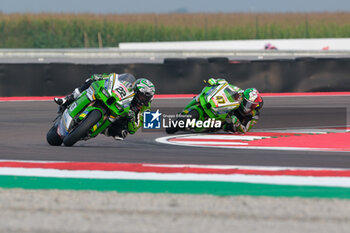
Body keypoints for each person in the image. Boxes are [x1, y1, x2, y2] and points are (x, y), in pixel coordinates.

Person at [54, 73, 155, 140]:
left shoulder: (144, 109)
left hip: (119, 115)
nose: (143, 99)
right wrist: (101, 77)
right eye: (142, 96)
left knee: (121, 133)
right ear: (136, 91)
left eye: (146, 97)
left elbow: (134, 129)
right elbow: (113, 78)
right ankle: (68, 98)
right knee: (91, 80)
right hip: (113, 100)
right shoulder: (127, 86)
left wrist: (131, 117)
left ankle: (99, 128)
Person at [178, 78, 263, 134]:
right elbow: (227, 85)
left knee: (225, 126)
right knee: (201, 96)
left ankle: (204, 127)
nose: (249, 107)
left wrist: (237, 124)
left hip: (232, 121)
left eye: (252, 105)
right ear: (243, 98)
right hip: (225, 108)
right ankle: (187, 109)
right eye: (248, 104)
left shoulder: (254, 115)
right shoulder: (240, 93)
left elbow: (244, 130)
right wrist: (217, 81)